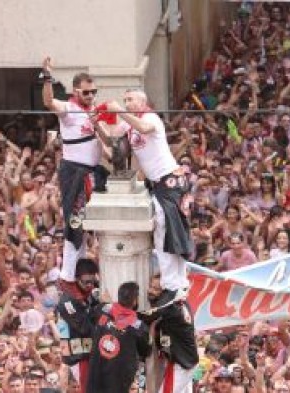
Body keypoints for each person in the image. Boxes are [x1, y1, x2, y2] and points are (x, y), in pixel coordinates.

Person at [105, 90, 193, 300]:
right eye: (124, 100)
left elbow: (143, 127)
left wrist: (119, 111)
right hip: (157, 183)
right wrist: (98, 121)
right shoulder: (128, 123)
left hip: (170, 179)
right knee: (164, 230)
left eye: (130, 100)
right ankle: (175, 282)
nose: (127, 103)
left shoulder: (150, 117)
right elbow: (112, 138)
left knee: (168, 231)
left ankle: (174, 283)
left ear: (142, 102)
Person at [42, 57, 102, 293]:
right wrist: (47, 76)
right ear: (77, 91)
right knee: (74, 222)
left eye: (93, 92)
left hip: (92, 172)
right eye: (86, 92)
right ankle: (67, 277)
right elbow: (48, 102)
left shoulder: (94, 111)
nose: (90, 96)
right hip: (75, 172)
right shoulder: (69, 108)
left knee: (88, 223)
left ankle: (81, 269)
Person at [87, 281, 151, 393]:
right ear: (135, 300)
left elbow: (91, 316)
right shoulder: (138, 327)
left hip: (96, 376)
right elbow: (146, 351)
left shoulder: (102, 310)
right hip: (119, 381)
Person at [142, 274, 199, 393]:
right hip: (180, 359)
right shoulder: (178, 304)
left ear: (166, 293)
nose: (151, 291)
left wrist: (114, 307)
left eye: (156, 289)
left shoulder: (169, 307)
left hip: (182, 364)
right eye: (151, 287)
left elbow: (144, 317)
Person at [56, 258, 101, 393]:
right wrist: (100, 308)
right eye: (86, 282)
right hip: (78, 356)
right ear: (76, 279)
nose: (90, 285)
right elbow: (84, 328)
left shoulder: (89, 295)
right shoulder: (68, 301)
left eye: (93, 282)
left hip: (90, 354)